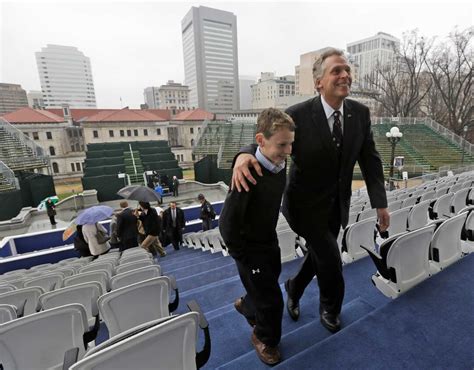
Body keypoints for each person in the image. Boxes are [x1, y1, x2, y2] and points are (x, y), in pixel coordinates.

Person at [232, 48, 389, 335]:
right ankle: (330, 307)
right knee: (330, 259)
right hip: (303, 206)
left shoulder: (361, 114)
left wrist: (380, 203)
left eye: (347, 70)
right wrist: (243, 155)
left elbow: (370, 159)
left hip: (336, 206)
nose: (345, 75)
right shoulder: (298, 115)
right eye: (336, 71)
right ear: (319, 82)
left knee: (319, 253)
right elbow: (264, 137)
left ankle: (294, 286)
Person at [220, 108, 295, 365]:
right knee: (273, 300)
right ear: (262, 141)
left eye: (290, 144)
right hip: (249, 250)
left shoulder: (276, 160)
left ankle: (246, 305)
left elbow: (263, 144)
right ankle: (264, 338)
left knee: (268, 283)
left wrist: (247, 151)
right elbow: (226, 223)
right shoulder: (247, 174)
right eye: (282, 145)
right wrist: (242, 256)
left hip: (268, 240)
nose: (288, 151)